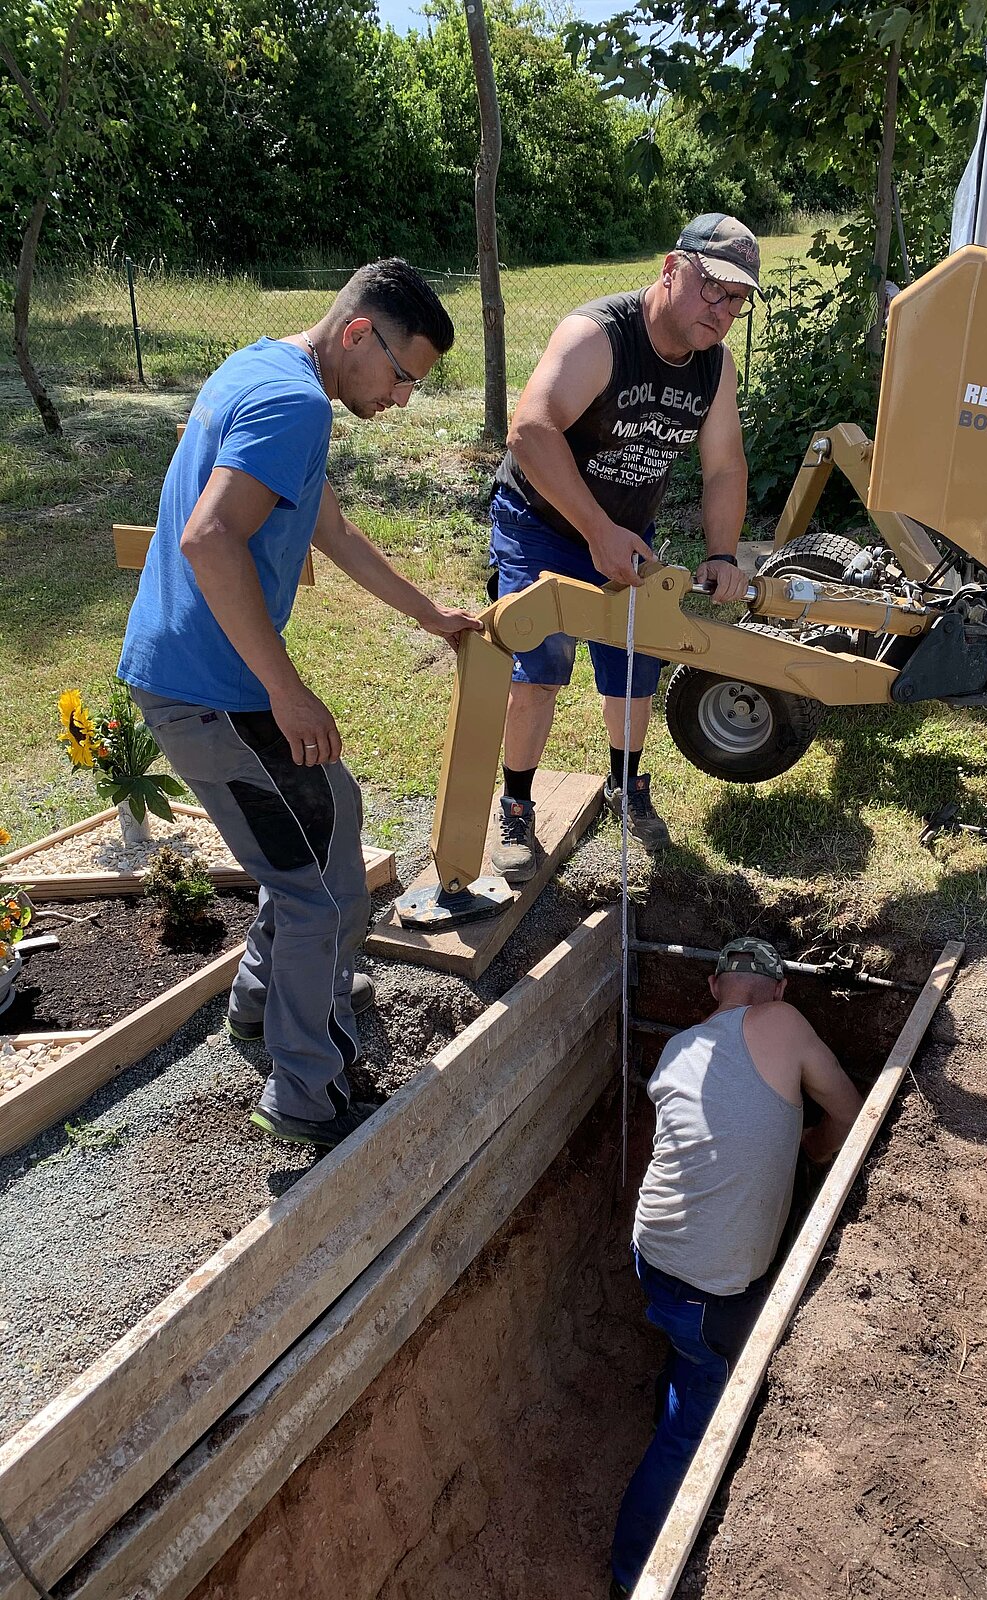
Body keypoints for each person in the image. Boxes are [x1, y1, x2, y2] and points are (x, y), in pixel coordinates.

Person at [118, 259, 480, 1151]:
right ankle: (308, 1095)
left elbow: (334, 529)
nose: (401, 399)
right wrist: (288, 691)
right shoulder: (297, 404)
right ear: (359, 333)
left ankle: (260, 1006)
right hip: (213, 693)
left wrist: (430, 614)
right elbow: (209, 539)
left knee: (330, 818)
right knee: (324, 887)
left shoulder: (265, 367)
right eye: (401, 376)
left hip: (199, 677)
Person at [487, 214, 760, 883]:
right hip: (542, 523)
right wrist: (595, 530)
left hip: (628, 533)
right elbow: (531, 431)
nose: (722, 310)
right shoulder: (599, 335)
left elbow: (725, 466)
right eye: (712, 288)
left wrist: (723, 554)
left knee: (636, 663)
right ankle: (516, 805)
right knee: (538, 667)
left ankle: (626, 785)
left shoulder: (713, 367)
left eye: (736, 300)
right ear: (671, 268)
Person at [610, 937, 864, 1596]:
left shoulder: (676, 1049)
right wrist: (811, 1150)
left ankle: (682, 1367)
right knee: (689, 1436)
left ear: (714, 988)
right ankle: (631, 1575)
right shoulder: (783, 1021)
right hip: (709, 1290)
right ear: (779, 989)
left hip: (650, 1253)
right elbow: (850, 1112)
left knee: (690, 1346)